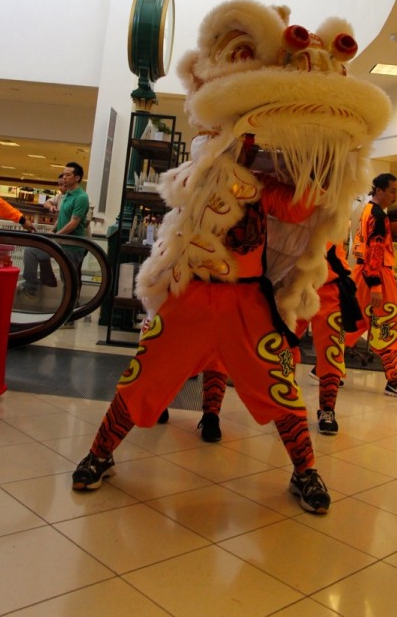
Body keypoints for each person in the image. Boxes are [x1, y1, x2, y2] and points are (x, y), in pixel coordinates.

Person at [72, 161, 331, 514]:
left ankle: (305, 471)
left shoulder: (264, 185)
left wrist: (322, 161)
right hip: (190, 296)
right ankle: (99, 454)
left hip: (247, 302)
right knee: (144, 377)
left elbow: (299, 208)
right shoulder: (198, 172)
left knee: (278, 384)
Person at [347, 173, 397, 399]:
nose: (395, 195)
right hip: (374, 275)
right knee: (386, 326)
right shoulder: (377, 215)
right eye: (392, 191)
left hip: (364, 275)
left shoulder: (367, 210)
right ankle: (394, 381)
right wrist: (378, 285)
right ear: (379, 191)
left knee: (355, 323)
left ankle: (324, 368)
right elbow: (375, 252)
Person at [298, 243, 362, 435]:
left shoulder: (333, 214)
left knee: (332, 351)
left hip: (330, 287)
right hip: (294, 285)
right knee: (282, 348)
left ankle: (327, 409)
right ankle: (285, 405)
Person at [20, 162, 89, 301]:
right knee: (31, 251)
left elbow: (73, 224)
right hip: (60, 241)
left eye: (68, 175)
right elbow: (63, 218)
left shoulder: (81, 197)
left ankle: (69, 312)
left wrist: (56, 236)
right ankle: (31, 285)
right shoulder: (65, 196)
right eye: (63, 174)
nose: (64, 177)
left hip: (72, 246)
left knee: (69, 280)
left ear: (77, 178)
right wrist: (51, 232)